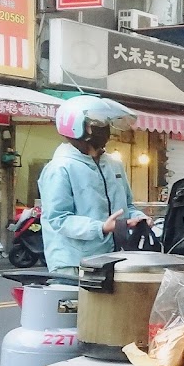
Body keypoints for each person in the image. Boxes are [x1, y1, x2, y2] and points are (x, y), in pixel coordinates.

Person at [38, 95, 148, 273]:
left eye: (105, 125)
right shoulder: (60, 168)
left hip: (115, 257)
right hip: (75, 263)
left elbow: (127, 205)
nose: (104, 130)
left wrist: (138, 218)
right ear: (76, 127)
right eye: (97, 124)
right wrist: (101, 228)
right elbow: (59, 219)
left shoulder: (113, 164)